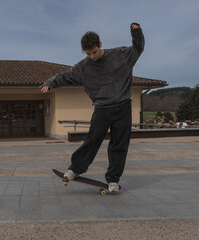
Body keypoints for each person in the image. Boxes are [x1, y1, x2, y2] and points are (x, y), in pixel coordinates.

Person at [40, 22, 144, 192]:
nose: (92, 57)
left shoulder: (120, 55)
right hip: (102, 108)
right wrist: (51, 82)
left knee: (119, 144)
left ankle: (113, 180)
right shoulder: (84, 67)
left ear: (100, 45)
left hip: (123, 106)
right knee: (92, 140)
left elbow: (138, 48)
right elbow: (65, 76)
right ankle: (75, 169)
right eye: (88, 54)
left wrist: (136, 32)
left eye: (94, 52)